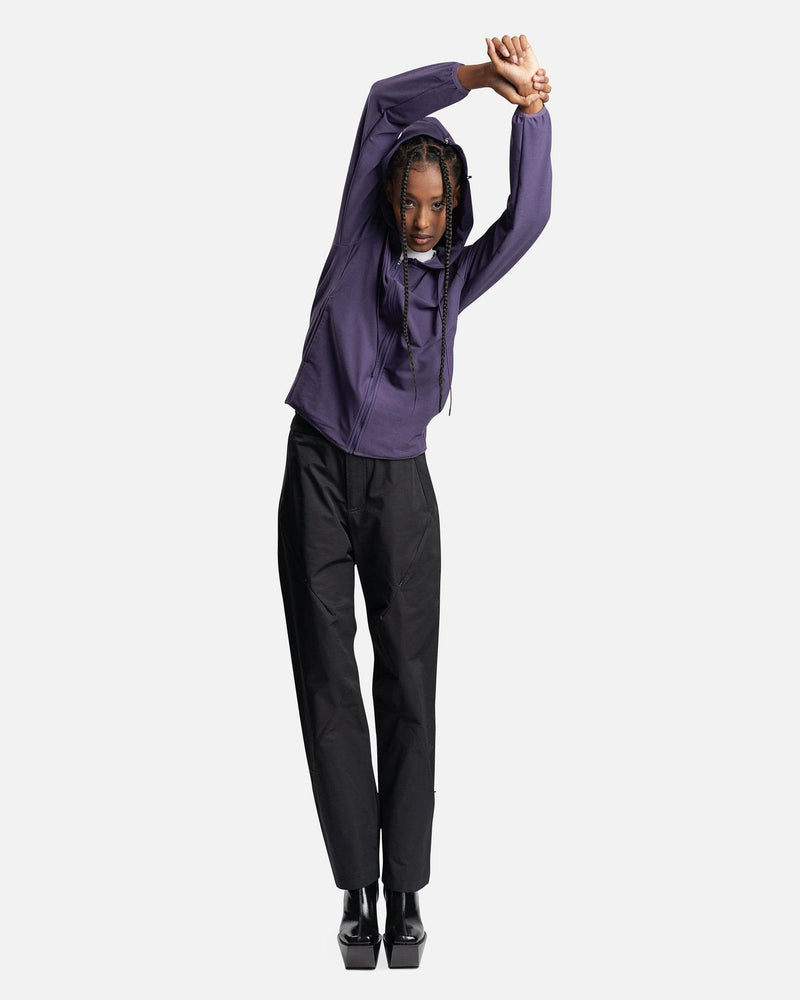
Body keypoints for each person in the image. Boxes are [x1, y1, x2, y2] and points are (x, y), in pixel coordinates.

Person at [277, 33, 552, 969]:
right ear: (388, 195)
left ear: (452, 204)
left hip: (401, 486)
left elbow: (528, 219)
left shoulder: (455, 279)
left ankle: (407, 890)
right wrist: (476, 77)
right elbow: (384, 102)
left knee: (409, 686)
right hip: (317, 469)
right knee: (327, 679)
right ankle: (356, 888)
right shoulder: (360, 237)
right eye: (410, 200)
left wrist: (532, 114)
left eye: (438, 205)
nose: (423, 219)